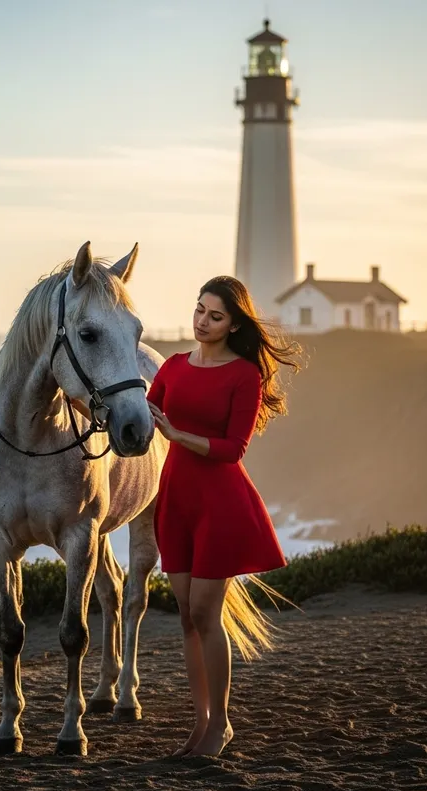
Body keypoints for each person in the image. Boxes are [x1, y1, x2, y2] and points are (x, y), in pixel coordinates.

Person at [146, 276, 300, 758]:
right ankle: (200, 723)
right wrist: (87, 403)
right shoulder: (172, 366)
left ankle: (222, 725)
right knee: (187, 620)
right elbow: (141, 414)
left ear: (234, 325)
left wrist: (176, 433)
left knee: (204, 613)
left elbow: (233, 450)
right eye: (199, 310)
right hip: (175, 499)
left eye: (215, 316)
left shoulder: (243, 376)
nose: (202, 321)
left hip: (221, 504)